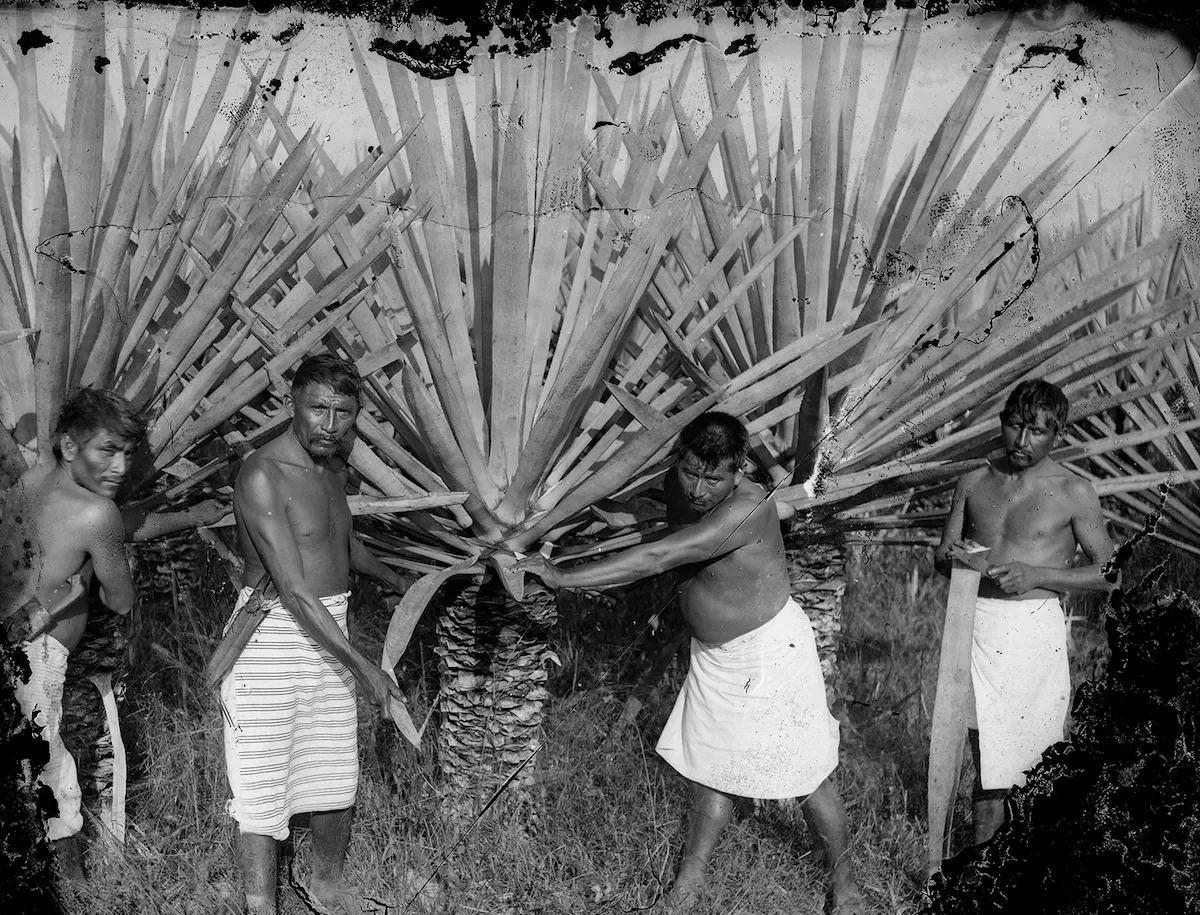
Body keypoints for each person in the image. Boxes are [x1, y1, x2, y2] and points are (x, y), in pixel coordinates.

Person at [517, 411, 863, 914]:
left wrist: (562, 577)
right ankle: (687, 888)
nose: (698, 489)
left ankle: (846, 887)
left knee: (804, 775)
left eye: (713, 478)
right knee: (710, 768)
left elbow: (659, 556)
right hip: (716, 658)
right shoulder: (690, 487)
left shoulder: (745, 510)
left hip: (768, 655)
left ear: (739, 471)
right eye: (690, 473)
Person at [222, 354, 408, 915]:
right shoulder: (263, 474)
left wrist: (401, 581)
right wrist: (362, 665)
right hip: (272, 634)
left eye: (343, 412)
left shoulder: (332, 469)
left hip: (330, 627)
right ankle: (261, 904)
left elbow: (341, 542)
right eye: (317, 409)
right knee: (263, 778)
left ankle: (327, 890)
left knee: (333, 770)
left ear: (357, 414)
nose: (329, 425)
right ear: (292, 404)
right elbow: (294, 589)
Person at [934, 378, 1117, 845]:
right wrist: (961, 559)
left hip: (1032, 633)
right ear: (1002, 422)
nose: (1021, 440)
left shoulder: (1073, 491)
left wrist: (1037, 575)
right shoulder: (973, 481)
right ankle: (984, 870)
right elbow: (942, 556)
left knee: (1031, 766)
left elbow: (1111, 573)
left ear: (1057, 434)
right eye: (1014, 426)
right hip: (974, 625)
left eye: (1036, 431)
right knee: (988, 760)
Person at [0, 388, 144, 882]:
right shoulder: (97, 513)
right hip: (38, 653)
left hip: (11, 638)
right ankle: (73, 885)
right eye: (108, 450)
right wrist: (91, 572)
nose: (120, 467)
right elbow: (120, 600)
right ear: (67, 445)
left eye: (129, 453)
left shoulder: (27, 485)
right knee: (49, 760)